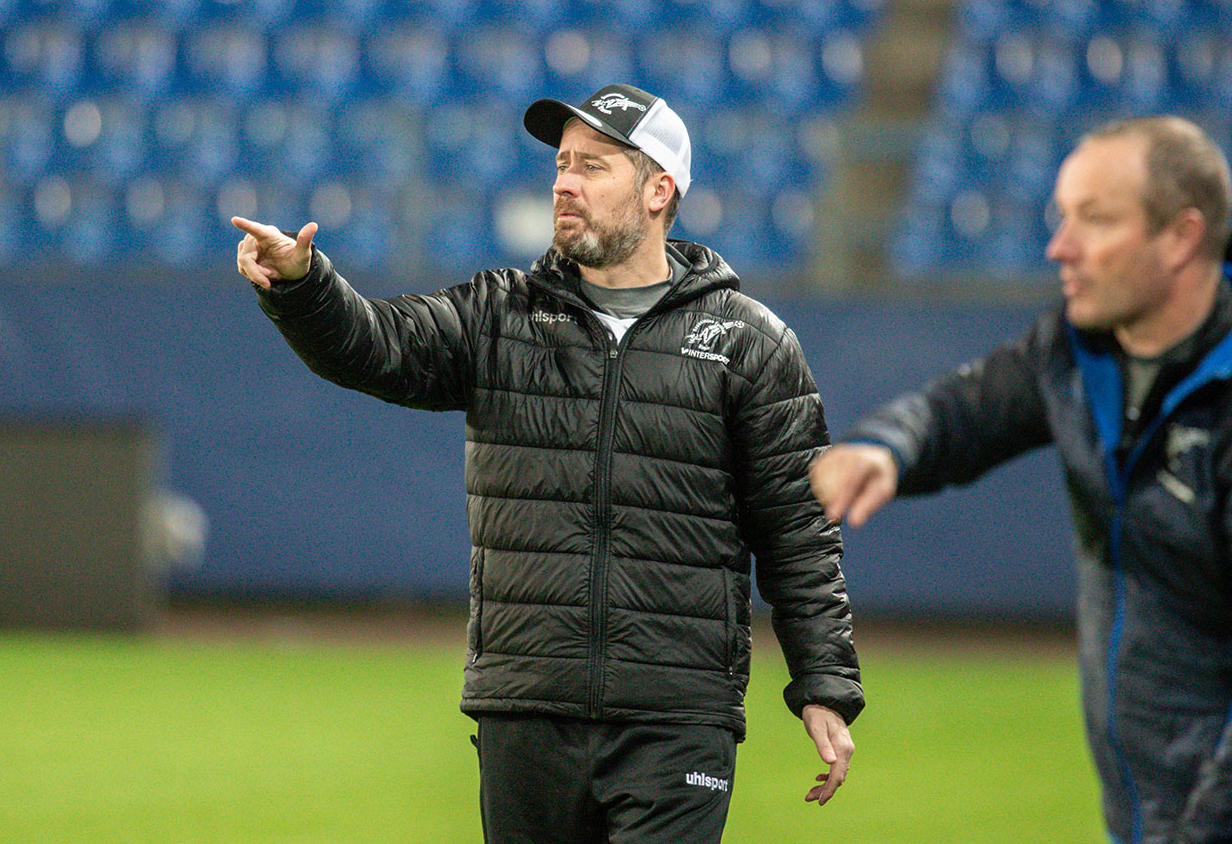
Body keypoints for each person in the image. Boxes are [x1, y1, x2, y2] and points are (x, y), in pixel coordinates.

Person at [234, 83, 863, 843]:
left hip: (677, 715)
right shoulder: (501, 315)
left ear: (659, 188)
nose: (564, 182)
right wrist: (304, 287)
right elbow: (378, 343)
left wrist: (824, 682)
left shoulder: (750, 342)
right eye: (562, 164)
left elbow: (798, 531)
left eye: (593, 166)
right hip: (526, 707)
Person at [810, 115, 1232, 844]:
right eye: (1061, 217)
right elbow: (963, 410)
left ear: (1181, 236)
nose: (1059, 248)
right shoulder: (1073, 351)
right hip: (1143, 815)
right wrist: (886, 447)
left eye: (1094, 220)